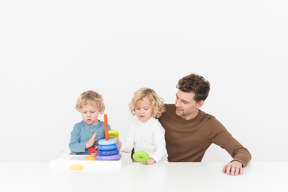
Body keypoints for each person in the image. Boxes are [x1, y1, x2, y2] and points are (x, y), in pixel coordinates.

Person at [158, 73, 252, 176]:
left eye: (184, 102)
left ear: (200, 104)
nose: (177, 104)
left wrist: (237, 162)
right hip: (152, 172)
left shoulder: (209, 124)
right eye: (177, 98)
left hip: (185, 177)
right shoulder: (160, 111)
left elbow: (241, 151)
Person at [117, 88, 168, 165]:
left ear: (154, 108)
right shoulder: (134, 125)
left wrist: (153, 159)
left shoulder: (156, 126)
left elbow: (161, 149)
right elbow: (128, 147)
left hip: (158, 163)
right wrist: (120, 145)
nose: (141, 112)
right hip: (141, 163)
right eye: (138, 108)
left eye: (146, 109)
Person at [69, 90, 111, 156]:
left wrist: (102, 149)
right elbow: (72, 146)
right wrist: (86, 144)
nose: (88, 115)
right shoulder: (77, 127)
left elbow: (110, 144)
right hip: (81, 161)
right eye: (84, 112)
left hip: (100, 160)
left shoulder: (105, 126)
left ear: (99, 110)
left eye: (92, 112)